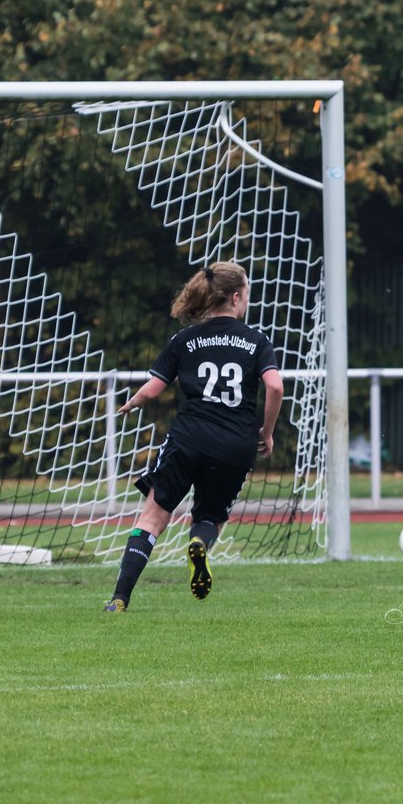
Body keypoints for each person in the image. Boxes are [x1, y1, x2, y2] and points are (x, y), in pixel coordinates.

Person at [103, 261, 283, 612]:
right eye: (246, 295)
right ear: (235, 298)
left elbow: (153, 390)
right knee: (211, 516)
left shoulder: (184, 338)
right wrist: (267, 431)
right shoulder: (256, 341)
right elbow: (275, 386)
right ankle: (199, 542)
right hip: (235, 444)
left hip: (189, 438)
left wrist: (131, 403)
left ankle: (119, 598)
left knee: (153, 517)